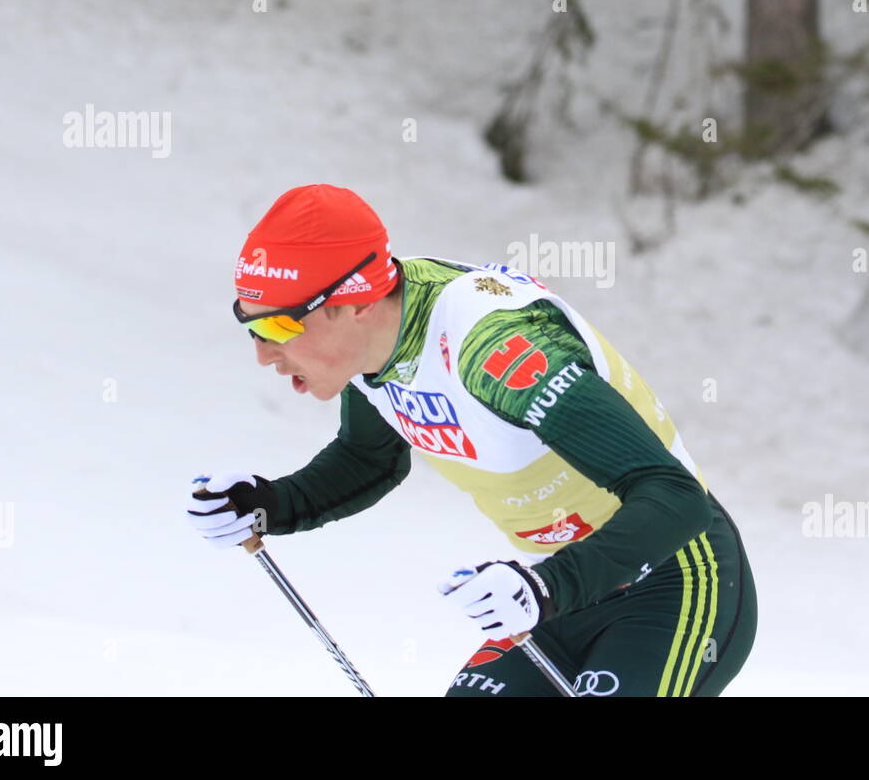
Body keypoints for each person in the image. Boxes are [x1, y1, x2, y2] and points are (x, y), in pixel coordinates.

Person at [187, 184, 757, 696]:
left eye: (279, 326)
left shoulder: (496, 352)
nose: (262, 353)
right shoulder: (373, 343)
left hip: (677, 578)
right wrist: (270, 505)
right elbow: (370, 457)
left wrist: (548, 587)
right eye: (249, 323)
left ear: (354, 303)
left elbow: (674, 494)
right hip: (557, 590)